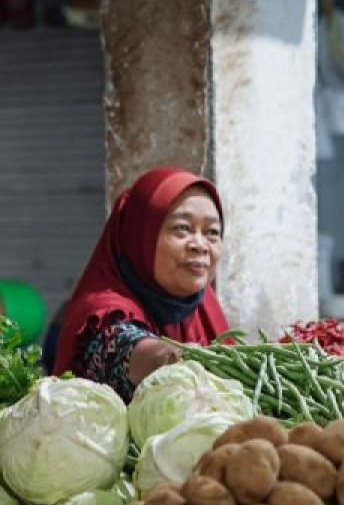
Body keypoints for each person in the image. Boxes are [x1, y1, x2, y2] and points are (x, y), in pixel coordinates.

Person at [52, 167, 229, 400]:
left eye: (212, 232)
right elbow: (121, 348)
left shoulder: (205, 306)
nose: (200, 245)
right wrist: (171, 357)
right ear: (140, 236)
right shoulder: (101, 314)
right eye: (182, 229)